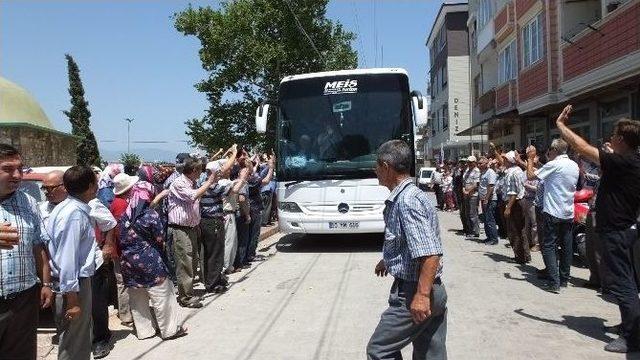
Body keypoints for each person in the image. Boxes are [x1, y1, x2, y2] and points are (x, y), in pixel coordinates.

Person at [554, 104, 640, 353]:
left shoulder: (624, 162)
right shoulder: (629, 160)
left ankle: (633, 337)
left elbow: (581, 148)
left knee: (623, 283)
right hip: (623, 229)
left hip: (617, 231)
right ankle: (629, 326)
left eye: (614, 136)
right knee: (627, 282)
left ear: (622, 139)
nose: (610, 140)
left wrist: (561, 126)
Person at [367, 140, 447, 359]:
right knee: (429, 353)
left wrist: (421, 295)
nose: (375, 171)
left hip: (415, 291)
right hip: (431, 290)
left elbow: (430, 253)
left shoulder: (407, 201)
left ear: (385, 166)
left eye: (377, 166)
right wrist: (389, 260)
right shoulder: (409, 196)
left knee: (380, 350)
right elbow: (411, 241)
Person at [0, 144, 53, 359]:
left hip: (23, 299)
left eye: (20, 168)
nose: (17, 175)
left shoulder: (29, 202)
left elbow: (37, 245)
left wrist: (46, 283)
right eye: (8, 168)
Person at [118, 178, 186, 340]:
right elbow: (160, 238)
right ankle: (170, 330)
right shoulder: (150, 216)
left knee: (138, 298)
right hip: (150, 261)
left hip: (128, 263)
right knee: (162, 295)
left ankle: (144, 331)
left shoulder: (125, 216)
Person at [46, 165, 102, 360]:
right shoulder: (74, 214)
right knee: (73, 344)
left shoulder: (67, 208)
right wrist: (73, 301)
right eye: (95, 182)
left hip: (73, 284)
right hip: (74, 286)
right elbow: (67, 260)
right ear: (90, 186)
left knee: (77, 339)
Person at [526, 137, 579, 294]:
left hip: (553, 211)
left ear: (555, 150)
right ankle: (563, 279)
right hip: (568, 212)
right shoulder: (573, 165)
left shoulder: (554, 164)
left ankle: (553, 281)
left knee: (549, 246)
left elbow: (530, 175)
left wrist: (529, 159)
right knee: (566, 246)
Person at [167, 156, 218, 308]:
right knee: (185, 263)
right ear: (194, 170)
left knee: (192, 261)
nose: (201, 173)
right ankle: (185, 297)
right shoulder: (179, 183)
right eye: (200, 170)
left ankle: (187, 292)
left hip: (191, 228)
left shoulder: (191, 183)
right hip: (181, 229)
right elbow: (192, 197)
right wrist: (209, 182)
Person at [199, 145, 239, 294]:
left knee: (210, 253)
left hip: (207, 221)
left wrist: (230, 154)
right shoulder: (212, 186)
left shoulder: (204, 180)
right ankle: (213, 283)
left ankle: (212, 279)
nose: (221, 173)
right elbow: (232, 190)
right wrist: (243, 175)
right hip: (212, 221)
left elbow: (222, 167)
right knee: (215, 252)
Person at [244, 154, 275, 264]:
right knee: (254, 233)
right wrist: (271, 167)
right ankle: (250, 255)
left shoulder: (243, 177)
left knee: (247, 234)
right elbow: (266, 180)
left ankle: (246, 255)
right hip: (255, 209)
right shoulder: (252, 179)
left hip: (247, 209)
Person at [503, 151, 528, 263]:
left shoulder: (513, 173)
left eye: (505, 159)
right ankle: (525, 255)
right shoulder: (517, 170)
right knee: (520, 230)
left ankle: (520, 256)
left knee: (514, 230)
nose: (503, 161)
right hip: (518, 202)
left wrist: (508, 207)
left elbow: (513, 193)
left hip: (515, 203)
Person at [478, 157, 499, 245]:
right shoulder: (482, 173)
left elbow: (491, 186)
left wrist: (486, 198)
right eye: (478, 163)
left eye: (481, 163)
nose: (479, 165)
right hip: (483, 199)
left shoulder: (490, 172)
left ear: (486, 164)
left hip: (490, 199)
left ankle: (494, 239)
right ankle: (489, 237)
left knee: (490, 219)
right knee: (486, 219)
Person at [462, 156, 481, 238]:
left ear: (474, 162)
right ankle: (469, 230)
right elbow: (464, 182)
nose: (469, 163)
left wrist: (468, 191)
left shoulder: (477, 171)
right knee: (466, 213)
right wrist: (463, 190)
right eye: (468, 162)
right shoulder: (467, 170)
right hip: (466, 194)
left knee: (473, 214)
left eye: (471, 162)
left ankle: (475, 231)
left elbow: (476, 184)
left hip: (473, 195)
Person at [522, 168, 540, 252]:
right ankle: (528, 241)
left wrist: (527, 186)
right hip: (525, 199)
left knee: (534, 223)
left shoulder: (538, 172)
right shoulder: (524, 173)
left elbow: (538, 189)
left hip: (533, 200)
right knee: (526, 222)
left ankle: (536, 243)